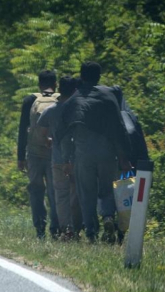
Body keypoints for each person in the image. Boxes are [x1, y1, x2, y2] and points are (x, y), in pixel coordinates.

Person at [58, 62, 131, 243]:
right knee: (107, 190)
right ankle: (107, 216)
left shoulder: (74, 100)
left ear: (81, 76)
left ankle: (91, 233)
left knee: (86, 194)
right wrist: (124, 156)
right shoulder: (108, 96)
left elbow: (65, 133)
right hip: (107, 153)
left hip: (83, 154)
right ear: (99, 76)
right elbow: (119, 128)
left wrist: (66, 159)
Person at [37, 76, 82, 240]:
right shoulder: (79, 109)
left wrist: (50, 141)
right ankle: (77, 229)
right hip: (78, 159)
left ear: (59, 89)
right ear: (75, 90)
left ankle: (66, 229)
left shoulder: (51, 109)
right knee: (77, 194)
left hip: (57, 159)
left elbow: (42, 133)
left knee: (61, 195)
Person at [17, 70, 59, 239]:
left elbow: (22, 130)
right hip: (54, 154)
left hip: (34, 154)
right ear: (55, 84)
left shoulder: (30, 100)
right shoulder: (60, 99)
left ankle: (40, 228)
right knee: (55, 191)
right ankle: (56, 229)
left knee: (36, 190)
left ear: (39, 84)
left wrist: (20, 157)